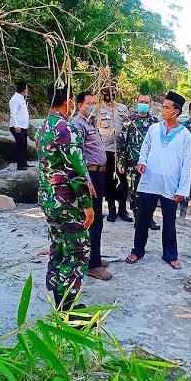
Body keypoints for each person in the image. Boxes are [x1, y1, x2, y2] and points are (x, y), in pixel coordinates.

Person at [36, 82, 94, 312]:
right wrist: (87, 205)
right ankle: (68, 311)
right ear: (68, 100)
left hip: (49, 200)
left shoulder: (44, 126)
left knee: (59, 247)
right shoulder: (64, 128)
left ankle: (59, 299)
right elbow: (77, 172)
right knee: (76, 252)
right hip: (67, 203)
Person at [125, 91, 191, 270]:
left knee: (169, 221)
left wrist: (182, 190)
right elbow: (145, 148)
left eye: (166, 107)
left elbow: (187, 164)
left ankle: (170, 255)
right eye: (163, 106)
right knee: (142, 219)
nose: (162, 110)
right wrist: (142, 162)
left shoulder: (185, 135)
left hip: (170, 184)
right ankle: (137, 250)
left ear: (175, 112)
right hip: (149, 180)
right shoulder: (154, 129)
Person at [71, 91, 113, 281]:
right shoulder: (78, 125)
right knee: (93, 219)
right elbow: (78, 157)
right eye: (89, 103)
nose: (93, 107)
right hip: (91, 176)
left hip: (99, 174)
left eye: (95, 103)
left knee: (97, 219)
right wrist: (87, 180)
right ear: (80, 105)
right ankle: (92, 265)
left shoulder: (90, 123)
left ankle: (93, 257)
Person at [117, 93, 160, 231]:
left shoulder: (155, 122)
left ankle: (149, 218)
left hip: (150, 164)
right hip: (132, 163)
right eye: (141, 101)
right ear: (137, 102)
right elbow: (122, 143)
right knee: (134, 192)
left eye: (146, 102)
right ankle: (138, 218)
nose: (143, 104)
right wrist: (121, 162)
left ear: (150, 104)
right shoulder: (129, 121)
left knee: (151, 192)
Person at [98, 84, 132, 222]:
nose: (109, 95)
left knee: (122, 180)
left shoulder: (122, 108)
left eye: (111, 92)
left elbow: (128, 126)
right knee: (108, 181)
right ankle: (111, 209)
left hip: (121, 151)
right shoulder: (98, 110)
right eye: (106, 93)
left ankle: (123, 210)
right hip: (105, 151)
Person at [9, 81, 31, 170]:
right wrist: (16, 126)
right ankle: (20, 164)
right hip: (17, 127)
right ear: (23, 89)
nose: (27, 90)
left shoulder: (21, 98)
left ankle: (24, 162)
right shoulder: (15, 99)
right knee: (20, 145)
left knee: (24, 145)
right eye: (26, 88)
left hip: (23, 126)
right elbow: (13, 114)